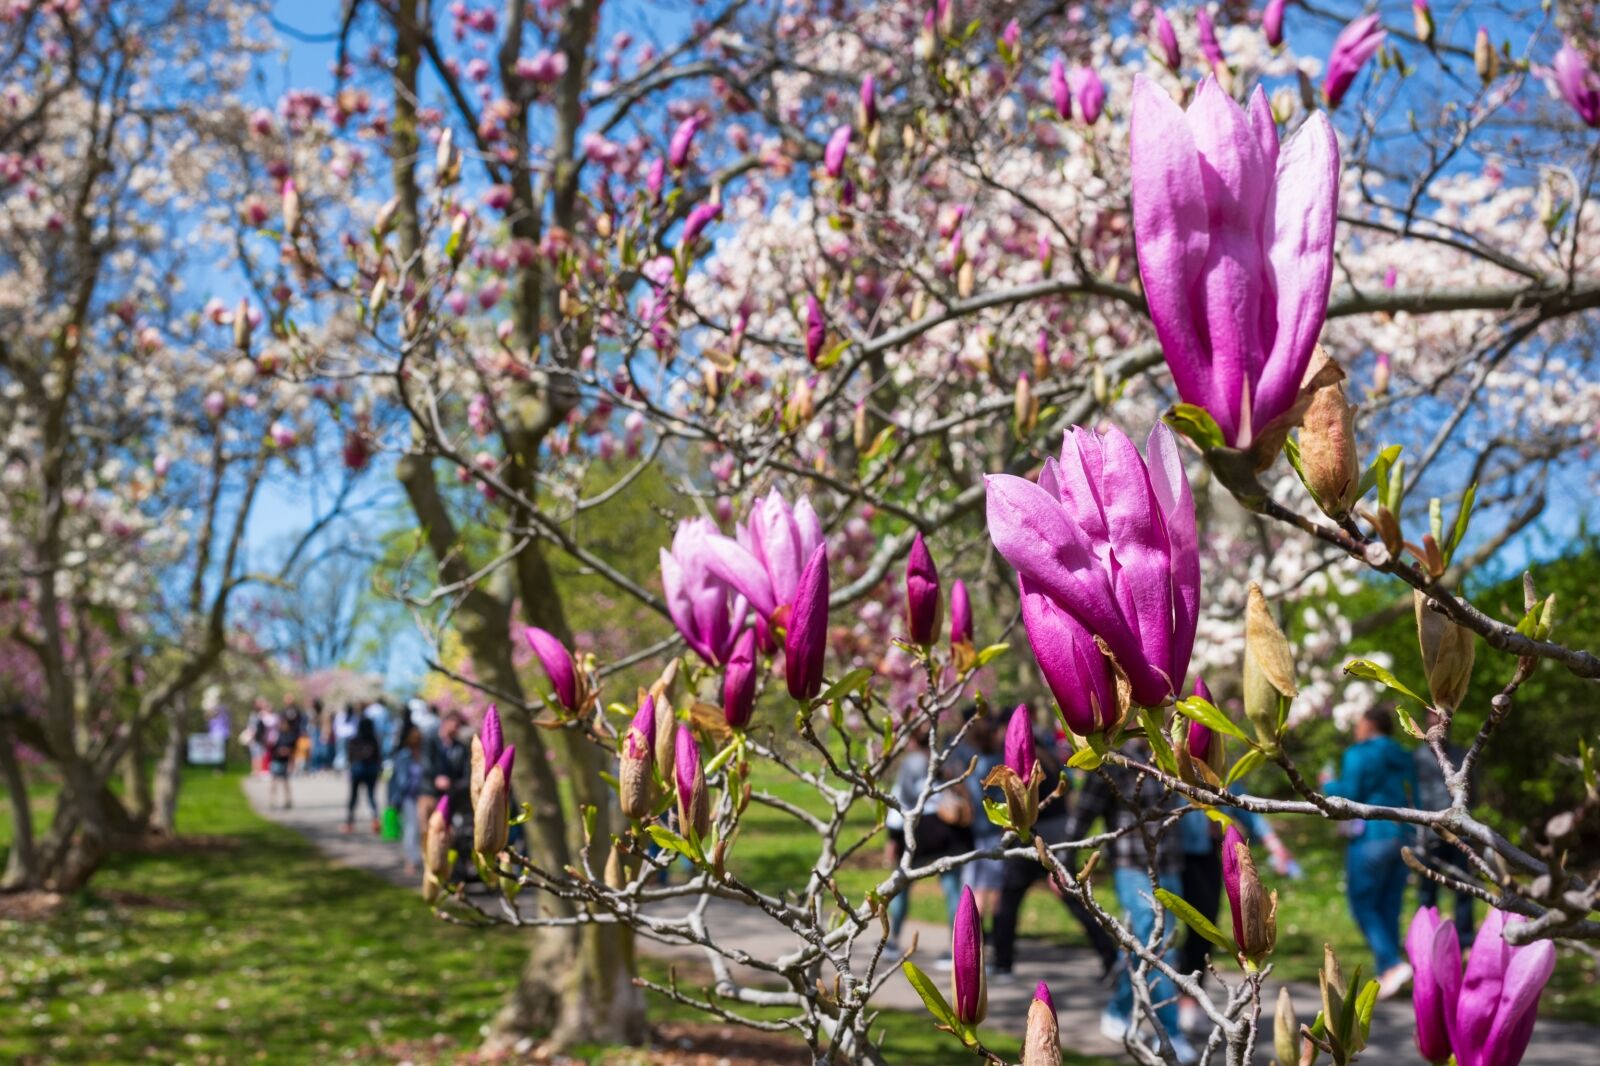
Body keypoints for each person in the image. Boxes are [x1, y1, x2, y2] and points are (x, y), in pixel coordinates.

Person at [1067, 739, 1195, 1064]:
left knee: (1143, 946)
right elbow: (1082, 817)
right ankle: (1169, 1035)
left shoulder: (1166, 752)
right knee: (1161, 948)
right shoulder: (1110, 760)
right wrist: (1063, 863)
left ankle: (1118, 1009)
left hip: (1169, 866)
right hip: (1133, 869)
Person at [990, 707, 1118, 982]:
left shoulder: (1024, 761)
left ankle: (1002, 963)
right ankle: (1109, 957)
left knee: (1008, 901)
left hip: (1037, 838)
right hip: (1057, 837)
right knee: (1073, 901)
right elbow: (1065, 793)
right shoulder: (1046, 758)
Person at [1322, 705, 1419, 1000]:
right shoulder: (1404, 755)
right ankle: (1388, 971)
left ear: (1370, 724)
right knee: (1389, 904)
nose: (1356, 728)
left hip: (1371, 838)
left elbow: (1348, 792)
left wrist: (1327, 783)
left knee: (1363, 904)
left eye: (1359, 723)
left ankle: (1391, 963)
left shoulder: (1359, 754)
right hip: (1402, 836)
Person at [1174, 805, 1298, 1032]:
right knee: (1164, 931)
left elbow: (1243, 806)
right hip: (1169, 854)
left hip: (1204, 853)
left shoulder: (1217, 778)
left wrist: (1274, 845)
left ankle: (1189, 997)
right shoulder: (1167, 776)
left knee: (1204, 925)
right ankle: (1168, 1001)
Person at [886, 724, 973, 964]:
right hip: (950, 831)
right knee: (953, 890)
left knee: (901, 887)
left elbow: (901, 801)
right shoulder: (950, 757)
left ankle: (892, 940)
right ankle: (956, 948)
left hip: (919, 831)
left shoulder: (912, 763)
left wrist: (892, 839)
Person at [1412, 709, 1476, 944]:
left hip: (1459, 829)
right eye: (1432, 719)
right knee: (1427, 887)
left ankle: (1465, 938)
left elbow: (1472, 789)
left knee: (1464, 886)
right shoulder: (1416, 757)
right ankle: (1426, 935)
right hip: (1429, 828)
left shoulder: (1462, 754)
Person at [956, 708, 1005, 919]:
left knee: (976, 886)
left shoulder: (972, 763)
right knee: (992, 885)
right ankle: (993, 932)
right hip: (994, 829)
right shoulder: (997, 760)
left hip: (977, 830)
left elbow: (974, 797)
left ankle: (979, 931)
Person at [389, 723, 427, 875]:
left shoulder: (425, 755)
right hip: (408, 797)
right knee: (411, 829)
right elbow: (395, 780)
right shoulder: (403, 756)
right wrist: (393, 799)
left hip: (423, 796)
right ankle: (410, 860)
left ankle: (421, 858)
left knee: (422, 829)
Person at [424, 711, 471, 824]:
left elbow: (466, 774)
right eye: (455, 725)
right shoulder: (430, 741)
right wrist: (436, 778)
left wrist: (453, 784)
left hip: (451, 795)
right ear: (445, 723)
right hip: (429, 792)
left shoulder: (461, 748)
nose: (456, 729)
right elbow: (424, 764)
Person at [343, 717, 383, 833]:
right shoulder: (373, 740)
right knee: (371, 796)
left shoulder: (354, 740)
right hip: (371, 769)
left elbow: (350, 757)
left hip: (358, 769)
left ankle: (349, 822)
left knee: (353, 796)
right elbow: (378, 757)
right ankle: (375, 819)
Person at [266, 704, 299, 809]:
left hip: (285, 761)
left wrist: (288, 754)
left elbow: (293, 751)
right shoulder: (276, 734)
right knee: (274, 781)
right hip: (276, 760)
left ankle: (288, 801)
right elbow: (271, 747)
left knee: (285, 782)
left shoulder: (291, 736)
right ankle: (272, 801)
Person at [333, 702, 362, 771]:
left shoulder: (344, 715)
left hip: (346, 737)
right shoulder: (343, 715)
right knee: (342, 752)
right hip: (346, 737)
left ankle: (342, 766)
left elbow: (335, 726)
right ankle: (340, 767)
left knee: (343, 752)